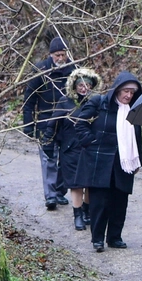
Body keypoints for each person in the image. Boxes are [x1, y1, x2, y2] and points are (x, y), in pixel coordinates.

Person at [74, 71, 142, 252]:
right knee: (99, 202)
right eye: (125, 91)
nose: (128, 95)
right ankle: (97, 239)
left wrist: (138, 161)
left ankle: (115, 237)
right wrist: (90, 141)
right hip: (100, 160)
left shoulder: (134, 111)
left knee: (120, 201)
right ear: (118, 89)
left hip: (124, 162)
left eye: (132, 92)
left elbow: (137, 137)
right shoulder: (100, 103)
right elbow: (80, 122)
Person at [44, 68, 101, 231]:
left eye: (88, 85)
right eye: (81, 85)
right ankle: (77, 215)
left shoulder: (96, 101)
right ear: (74, 86)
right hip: (70, 149)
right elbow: (53, 124)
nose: (84, 88)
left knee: (90, 183)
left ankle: (87, 211)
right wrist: (48, 143)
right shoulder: (65, 102)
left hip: (89, 148)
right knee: (76, 184)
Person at [22, 36, 74, 210]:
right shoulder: (40, 71)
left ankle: (60, 191)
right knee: (49, 159)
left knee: (67, 159)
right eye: (57, 55)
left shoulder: (74, 71)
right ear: (50, 55)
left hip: (68, 123)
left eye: (63, 54)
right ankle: (50, 196)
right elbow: (29, 99)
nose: (60, 58)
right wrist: (28, 124)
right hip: (45, 122)